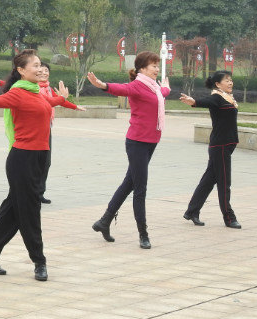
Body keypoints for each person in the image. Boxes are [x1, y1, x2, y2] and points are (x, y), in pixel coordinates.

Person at [0, 50, 77, 282]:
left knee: (13, 209)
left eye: (40, 64)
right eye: (35, 65)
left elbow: (48, 103)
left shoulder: (37, 92)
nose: (40, 69)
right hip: (23, 159)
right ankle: (39, 261)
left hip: (38, 157)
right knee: (30, 211)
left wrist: (62, 99)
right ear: (21, 71)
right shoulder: (18, 92)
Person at [86, 51, 170, 249]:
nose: (157, 69)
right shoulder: (137, 86)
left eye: (157, 66)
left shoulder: (155, 88)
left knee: (129, 183)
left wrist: (166, 88)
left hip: (151, 141)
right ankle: (143, 234)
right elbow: (121, 89)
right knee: (140, 189)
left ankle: (104, 221)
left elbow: (161, 94)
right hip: (137, 142)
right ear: (142, 68)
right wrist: (103, 85)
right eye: (153, 66)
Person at [0, 62, 83, 204]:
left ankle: (38, 192)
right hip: (28, 133)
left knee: (45, 163)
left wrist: (72, 105)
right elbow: (13, 91)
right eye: (39, 70)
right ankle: (24, 191)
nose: (43, 73)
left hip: (45, 129)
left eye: (46, 71)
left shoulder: (46, 89)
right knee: (28, 165)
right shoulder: (29, 89)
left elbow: (55, 101)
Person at [178, 71, 242, 228]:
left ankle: (192, 211)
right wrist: (194, 102)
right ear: (218, 84)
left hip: (225, 146)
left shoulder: (227, 97)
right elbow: (206, 102)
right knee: (224, 182)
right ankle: (229, 218)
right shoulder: (217, 97)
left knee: (208, 181)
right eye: (227, 80)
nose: (230, 83)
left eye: (231, 80)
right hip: (220, 146)